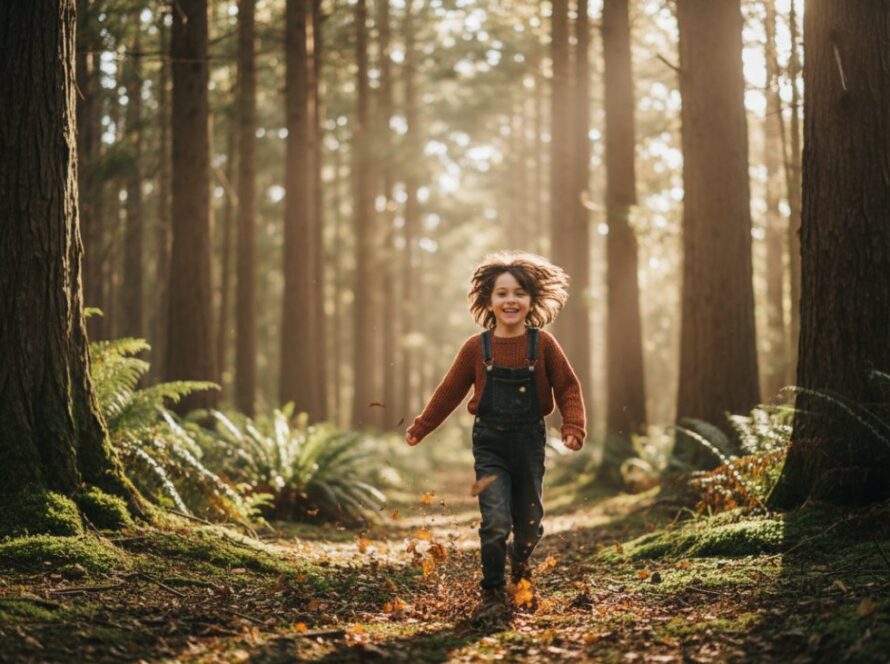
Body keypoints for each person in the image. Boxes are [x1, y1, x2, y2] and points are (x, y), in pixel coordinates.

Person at [405, 251, 586, 621]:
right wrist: (422, 426)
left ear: (531, 300)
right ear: (488, 300)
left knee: (529, 523)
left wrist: (573, 426)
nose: (510, 300)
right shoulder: (476, 348)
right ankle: (491, 593)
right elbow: (449, 391)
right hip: (490, 443)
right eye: (502, 293)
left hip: (530, 442)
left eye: (519, 293)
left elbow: (568, 387)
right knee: (496, 521)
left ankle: (520, 571)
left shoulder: (544, 345)